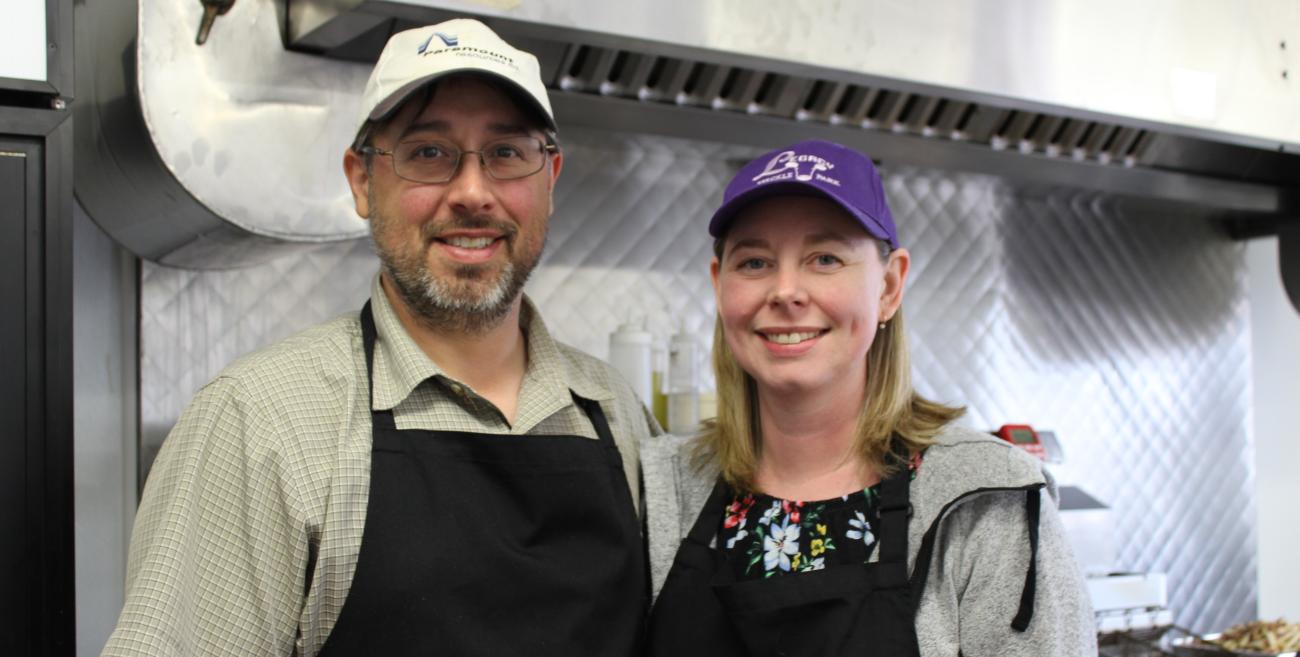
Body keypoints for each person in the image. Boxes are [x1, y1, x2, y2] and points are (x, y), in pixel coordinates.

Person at [103, 19, 656, 657]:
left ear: (549, 179)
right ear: (363, 181)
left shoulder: (616, 412)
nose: (473, 193)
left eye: (506, 153)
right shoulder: (262, 420)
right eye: (428, 153)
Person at [641, 139, 1096, 656]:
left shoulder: (987, 500)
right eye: (754, 262)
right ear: (720, 285)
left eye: (825, 258)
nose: (786, 290)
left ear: (889, 286)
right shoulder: (661, 486)